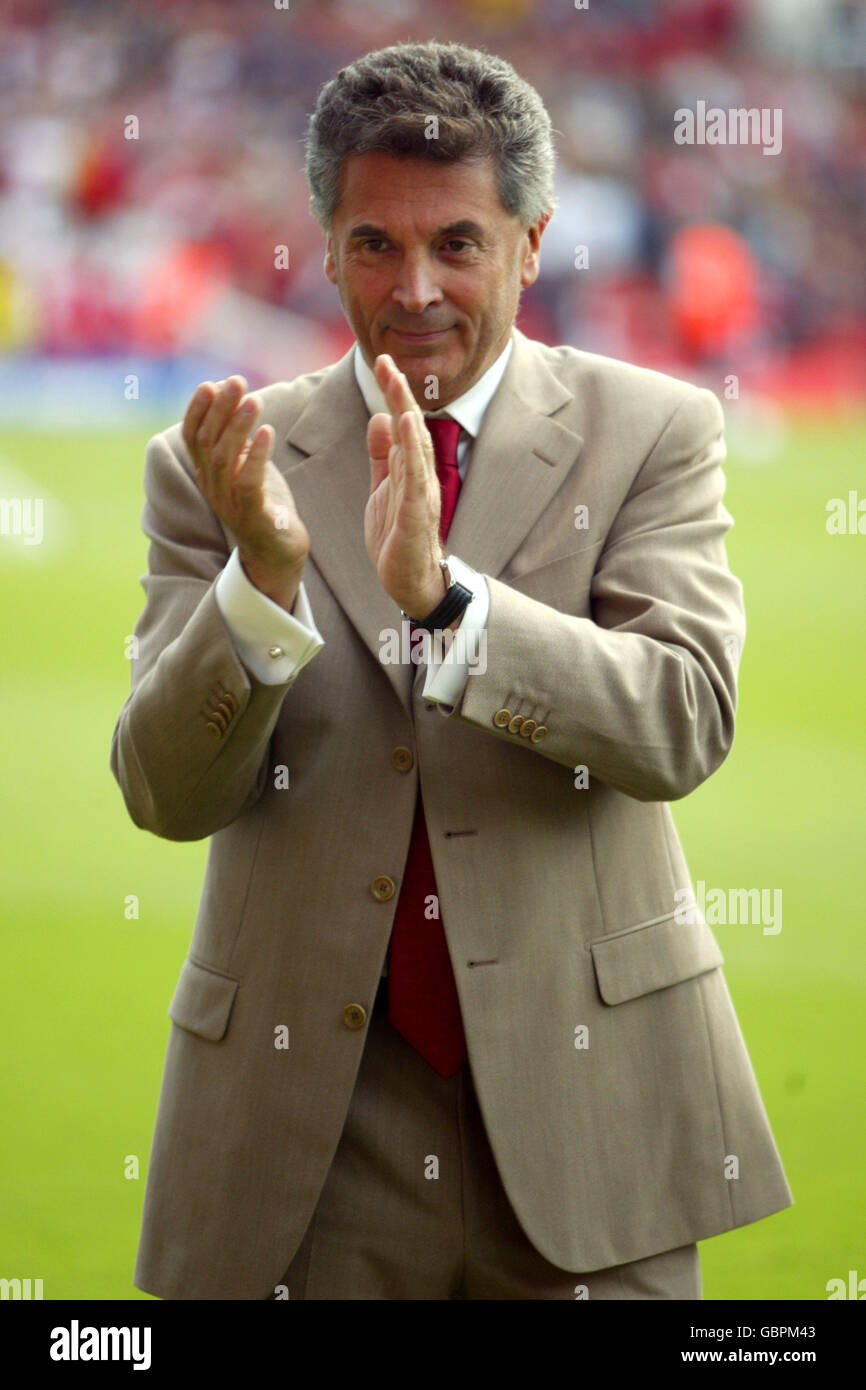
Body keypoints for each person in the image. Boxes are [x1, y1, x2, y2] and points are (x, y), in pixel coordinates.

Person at [110, 40, 792, 1301]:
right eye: (374, 243)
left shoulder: (651, 431)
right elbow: (165, 793)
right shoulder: (217, 465)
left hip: (589, 1114)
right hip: (306, 1136)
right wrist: (258, 584)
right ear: (323, 246)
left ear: (530, 244)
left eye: (458, 245)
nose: (413, 287)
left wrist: (451, 607)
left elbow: (682, 720)